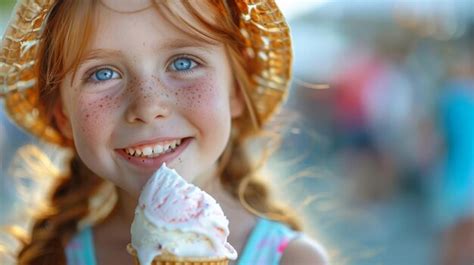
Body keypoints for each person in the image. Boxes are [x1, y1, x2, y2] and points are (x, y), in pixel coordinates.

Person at [0, 0, 328, 264]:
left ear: (236, 92)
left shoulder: (295, 260)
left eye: (183, 63)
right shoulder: (54, 257)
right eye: (102, 74)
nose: (147, 106)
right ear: (63, 116)